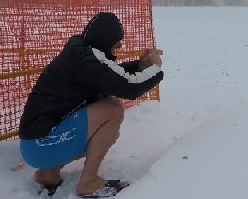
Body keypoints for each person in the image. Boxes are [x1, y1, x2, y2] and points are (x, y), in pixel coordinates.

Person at [19, 12, 164, 198]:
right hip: (41, 145)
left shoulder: (82, 52)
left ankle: (48, 173)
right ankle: (89, 182)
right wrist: (155, 69)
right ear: (104, 38)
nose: (120, 45)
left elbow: (109, 75)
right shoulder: (85, 59)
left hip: (36, 145)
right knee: (113, 109)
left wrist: (139, 66)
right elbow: (128, 88)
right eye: (117, 40)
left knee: (106, 133)